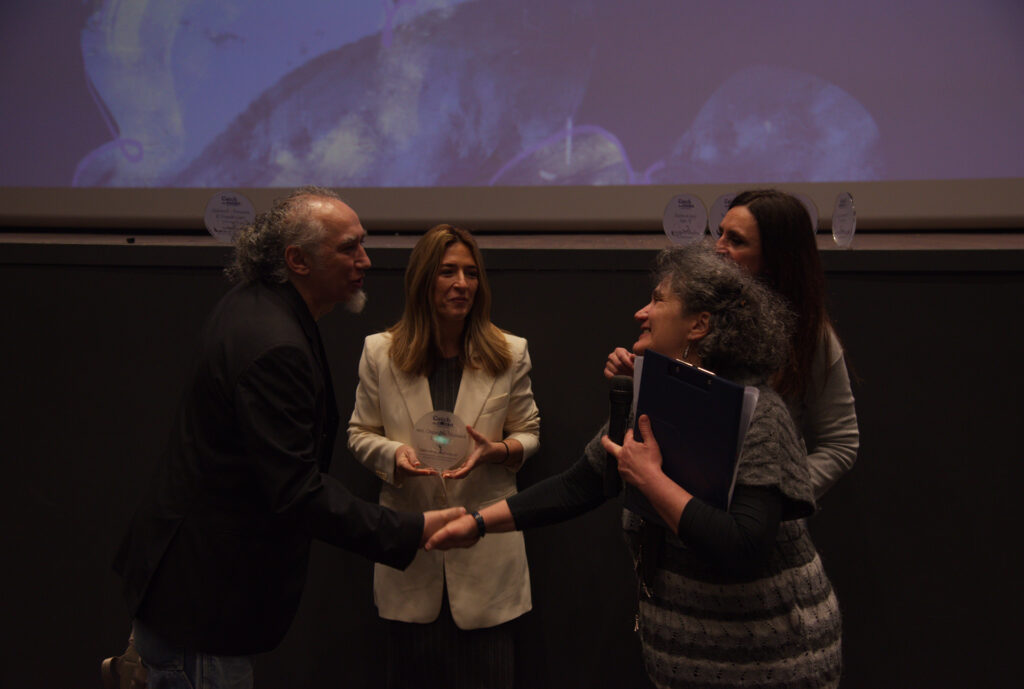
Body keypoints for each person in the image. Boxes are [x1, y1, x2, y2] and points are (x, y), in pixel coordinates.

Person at [426, 242, 842, 688]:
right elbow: (579, 484)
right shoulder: (655, 398)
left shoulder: (759, 414)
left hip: (771, 662)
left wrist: (649, 479)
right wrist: (476, 523)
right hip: (683, 663)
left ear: (699, 325)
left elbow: (742, 547)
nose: (641, 313)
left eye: (658, 300)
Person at [102, 188, 464, 689]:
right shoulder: (275, 344)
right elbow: (296, 491)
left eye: (362, 243)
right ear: (297, 260)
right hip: (203, 609)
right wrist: (412, 529)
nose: (365, 260)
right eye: (348, 248)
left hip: (186, 595)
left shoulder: (255, 304)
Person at [348, 224, 540, 689]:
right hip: (411, 555)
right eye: (448, 272)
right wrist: (395, 455)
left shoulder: (509, 352)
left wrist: (499, 451)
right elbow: (359, 433)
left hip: (487, 563)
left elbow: (529, 432)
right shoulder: (380, 352)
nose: (462, 284)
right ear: (423, 280)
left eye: (471, 273)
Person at [605, 189, 858, 500]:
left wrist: (772, 498)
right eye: (720, 233)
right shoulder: (700, 315)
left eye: (736, 241)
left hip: (757, 522)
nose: (718, 248)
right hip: (681, 506)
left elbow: (840, 443)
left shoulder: (810, 335)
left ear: (774, 259)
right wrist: (640, 382)